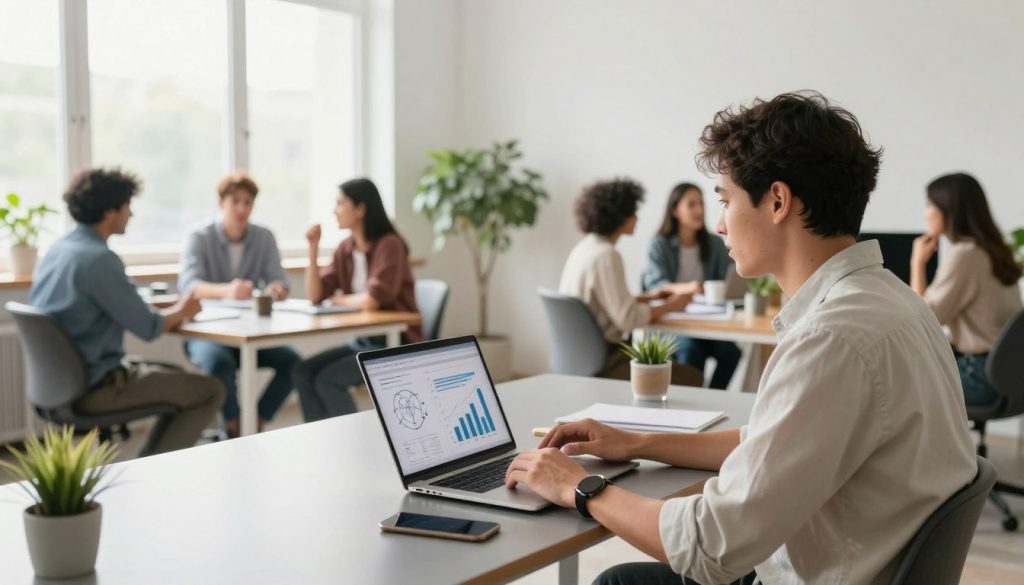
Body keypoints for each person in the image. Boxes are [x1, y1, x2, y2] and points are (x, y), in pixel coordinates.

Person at [506, 92, 976, 584]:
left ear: (777, 200)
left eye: (725, 200)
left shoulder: (830, 339)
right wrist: (639, 442)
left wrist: (581, 488)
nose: (718, 223)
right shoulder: (894, 303)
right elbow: (772, 442)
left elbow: (710, 547)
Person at [30, 167, 223, 456]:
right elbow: (149, 328)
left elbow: (114, 300)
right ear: (110, 211)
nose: (130, 215)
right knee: (209, 391)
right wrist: (184, 309)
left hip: (57, 385)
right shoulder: (100, 260)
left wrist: (158, 304)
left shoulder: (59, 250)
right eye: (127, 206)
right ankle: (149, 466)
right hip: (96, 388)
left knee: (176, 375)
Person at [178, 172, 301, 438]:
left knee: (294, 363)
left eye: (248, 202)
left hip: (249, 332)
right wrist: (228, 290)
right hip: (207, 334)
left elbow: (279, 281)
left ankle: (255, 422)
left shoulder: (264, 237)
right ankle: (234, 426)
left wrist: (274, 290)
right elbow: (189, 285)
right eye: (236, 201)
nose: (242, 208)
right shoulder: (198, 237)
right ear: (221, 203)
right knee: (218, 363)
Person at [292, 178, 421, 422]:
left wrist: (340, 299)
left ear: (361, 209)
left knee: (328, 379)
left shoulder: (390, 245)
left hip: (394, 343)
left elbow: (372, 300)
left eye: (340, 203)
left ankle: (355, 442)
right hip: (365, 340)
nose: (335, 210)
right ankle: (320, 441)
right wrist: (312, 248)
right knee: (303, 370)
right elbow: (316, 295)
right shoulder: (346, 248)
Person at [559, 178, 702, 386]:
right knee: (693, 377)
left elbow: (601, 302)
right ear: (619, 216)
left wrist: (649, 297)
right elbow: (629, 319)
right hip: (608, 359)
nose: (636, 218)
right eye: (633, 212)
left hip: (581, 356)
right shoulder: (607, 256)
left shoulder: (585, 248)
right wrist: (673, 305)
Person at [910, 172, 1023, 407]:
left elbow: (923, 319)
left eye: (930, 205)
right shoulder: (994, 250)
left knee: (898, 385)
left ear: (949, 210)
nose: (925, 213)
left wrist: (917, 263)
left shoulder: (966, 254)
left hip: (981, 376)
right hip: (1010, 375)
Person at [641, 182, 741, 389]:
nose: (699, 210)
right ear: (675, 210)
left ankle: (712, 398)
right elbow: (655, 284)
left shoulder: (713, 244)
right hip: (671, 322)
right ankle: (690, 406)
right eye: (691, 204)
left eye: (701, 204)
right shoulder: (659, 243)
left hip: (706, 322)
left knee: (731, 352)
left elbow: (730, 279)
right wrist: (689, 288)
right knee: (691, 351)